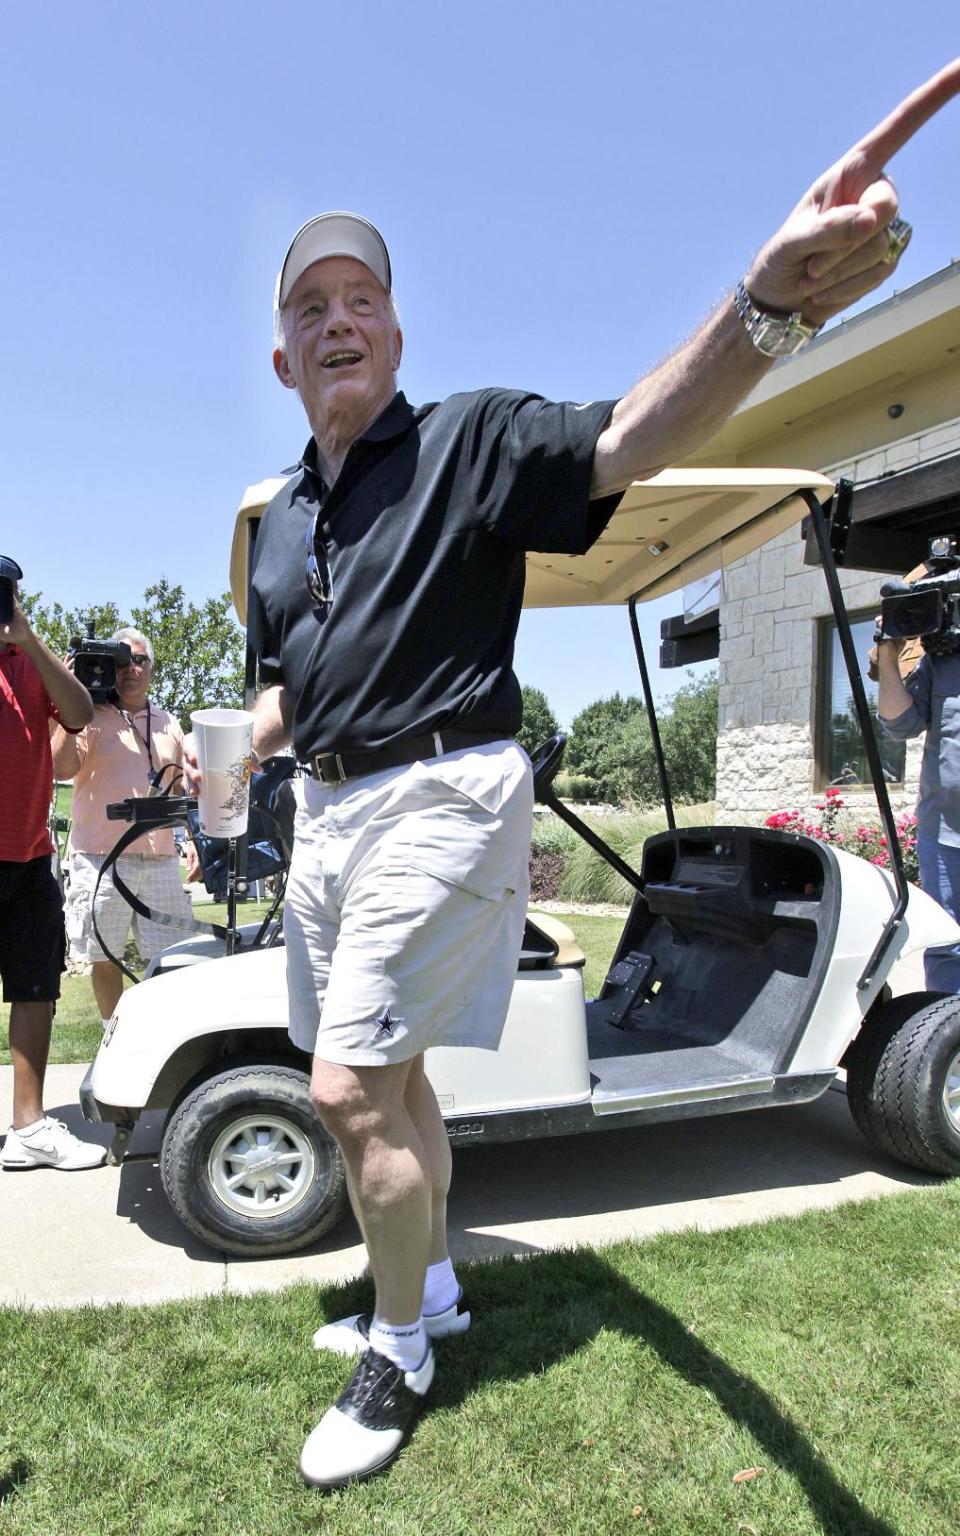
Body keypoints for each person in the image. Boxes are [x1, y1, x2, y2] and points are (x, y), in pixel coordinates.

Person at [187, 61, 960, 1488]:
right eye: (309, 305)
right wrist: (225, 745)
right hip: (332, 810)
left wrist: (765, 306)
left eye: (362, 296)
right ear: (282, 359)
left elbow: (633, 435)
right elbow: (285, 691)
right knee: (386, 1083)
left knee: (351, 1095)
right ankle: (435, 1287)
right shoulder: (287, 522)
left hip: (444, 789)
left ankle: (402, 1344)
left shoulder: (470, 440)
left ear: (396, 334)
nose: (338, 314)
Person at [0, 560, 107, 1171]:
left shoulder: (33, 661)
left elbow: (81, 714)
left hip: (30, 855)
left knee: (35, 989)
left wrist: (29, 640)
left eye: (8, 591)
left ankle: (30, 1127)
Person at [51, 628, 197, 1025]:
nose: (130, 668)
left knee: (170, 957)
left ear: (150, 668)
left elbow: (182, 789)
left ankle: (164, 1036)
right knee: (104, 956)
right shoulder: (87, 716)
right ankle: (111, 1036)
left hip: (161, 860)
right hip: (101, 858)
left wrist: (193, 840)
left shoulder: (169, 722)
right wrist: (71, 708)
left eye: (139, 660)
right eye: (121, 661)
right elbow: (61, 768)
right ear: (109, 669)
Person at [876, 604, 960, 991]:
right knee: (947, 947)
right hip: (945, 833)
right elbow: (900, 724)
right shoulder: (942, 660)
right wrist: (889, 655)